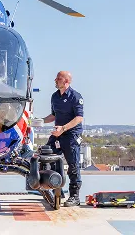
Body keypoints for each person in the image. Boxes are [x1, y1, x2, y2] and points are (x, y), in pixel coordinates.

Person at [41, 71, 84, 207]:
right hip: (57, 135)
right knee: (46, 157)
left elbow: (79, 118)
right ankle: (55, 187)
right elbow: (54, 115)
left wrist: (63, 128)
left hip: (71, 135)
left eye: (58, 79)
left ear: (66, 81)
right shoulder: (54, 97)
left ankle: (74, 196)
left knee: (73, 166)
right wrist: (40, 121)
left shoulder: (75, 96)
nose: (55, 80)